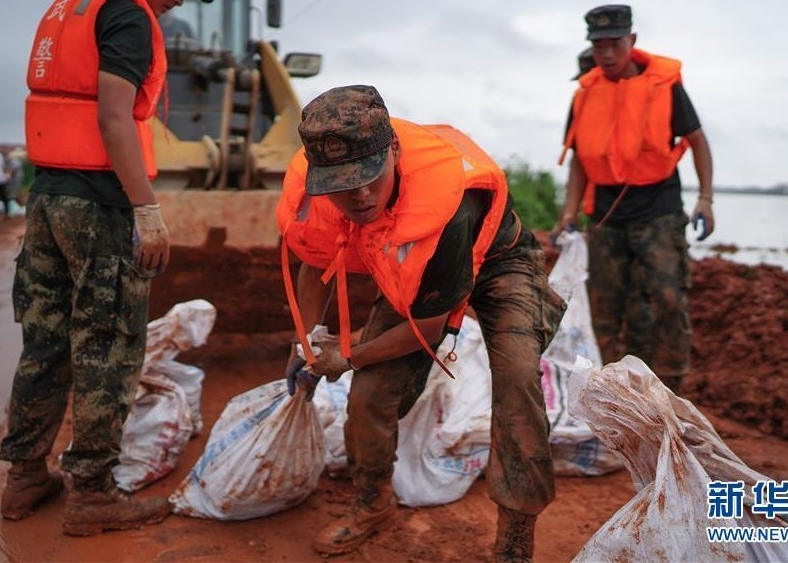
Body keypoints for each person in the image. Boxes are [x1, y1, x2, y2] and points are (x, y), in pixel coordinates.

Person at [277, 85, 566, 562]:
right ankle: (373, 502)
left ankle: (515, 534)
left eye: (371, 176)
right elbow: (315, 260)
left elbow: (431, 328)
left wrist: (347, 356)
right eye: (343, 184)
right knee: (370, 393)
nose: (362, 195)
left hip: (499, 265)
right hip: (414, 277)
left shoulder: (448, 204)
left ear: (394, 150)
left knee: (516, 381)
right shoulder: (321, 196)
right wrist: (305, 343)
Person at [0, 0, 174, 536]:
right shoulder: (127, 14)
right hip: (99, 202)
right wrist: (147, 209)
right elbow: (113, 113)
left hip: (49, 196)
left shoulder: (70, 9)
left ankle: (26, 475)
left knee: (45, 342)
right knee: (109, 347)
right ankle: (94, 494)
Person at [555, 4, 714, 393]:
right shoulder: (585, 94)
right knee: (605, 308)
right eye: (599, 46)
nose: (607, 54)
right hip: (608, 217)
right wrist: (569, 212)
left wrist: (706, 198)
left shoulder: (665, 87)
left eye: (615, 44)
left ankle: (671, 389)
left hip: (659, 210)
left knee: (667, 299)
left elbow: (697, 142)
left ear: (632, 41)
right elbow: (579, 159)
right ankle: (610, 392)